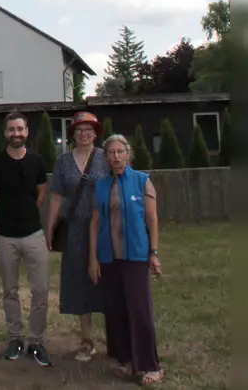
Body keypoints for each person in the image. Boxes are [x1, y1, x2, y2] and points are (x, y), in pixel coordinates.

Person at [88, 133, 164, 386]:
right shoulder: (101, 185)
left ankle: (150, 366)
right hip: (109, 258)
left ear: (128, 154)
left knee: (139, 310)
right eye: (111, 152)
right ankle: (127, 361)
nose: (116, 156)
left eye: (120, 151)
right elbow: (95, 223)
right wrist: (93, 259)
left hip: (136, 257)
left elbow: (152, 220)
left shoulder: (143, 181)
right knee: (117, 310)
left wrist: (153, 253)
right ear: (106, 158)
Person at [44, 111, 108, 363]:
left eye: (89, 129)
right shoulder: (63, 161)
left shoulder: (107, 156)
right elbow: (56, 197)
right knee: (81, 282)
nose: (84, 133)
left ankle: (117, 339)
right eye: (79, 130)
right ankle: (87, 339)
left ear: (96, 132)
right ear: (72, 134)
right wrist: (49, 230)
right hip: (75, 229)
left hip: (106, 228)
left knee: (109, 279)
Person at [0, 112, 52, 366]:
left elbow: (41, 194)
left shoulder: (37, 161)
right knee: (10, 291)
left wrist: (28, 213)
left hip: (33, 234)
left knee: (41, 290)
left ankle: (36, 342)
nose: (16, 133)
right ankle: (15, 339)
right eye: (11, 129)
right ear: (4, 133)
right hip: (5, 236)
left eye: (20, 129)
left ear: (27, 132)